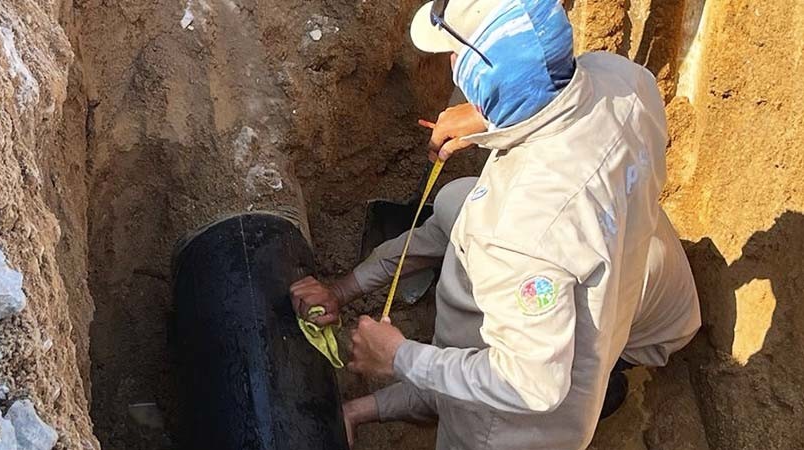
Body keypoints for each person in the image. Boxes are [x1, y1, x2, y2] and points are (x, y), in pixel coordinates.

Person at [289, 0, 702, 448]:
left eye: (455, 55)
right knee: (454, 205)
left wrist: (401, 357)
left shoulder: (518, 230)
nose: (450, 64)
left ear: (485, 75)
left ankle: (609, 390)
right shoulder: (624, 80)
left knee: (483, 390)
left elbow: (524, 384)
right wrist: (492, 115)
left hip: (591, 364)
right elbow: (434, 237)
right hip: (646, 290)